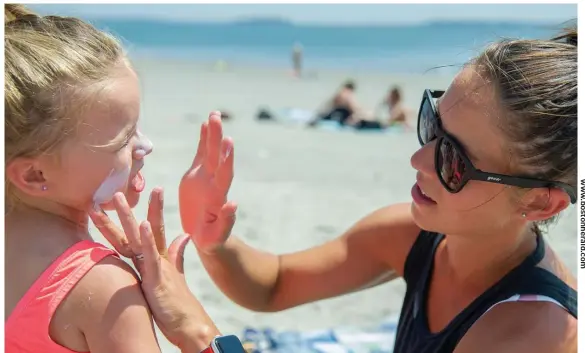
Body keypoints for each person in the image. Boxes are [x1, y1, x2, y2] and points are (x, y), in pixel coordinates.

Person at [178, 27, 578, 353]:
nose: (419, 159)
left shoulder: (529, 334)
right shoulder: (418, 235)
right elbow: (276, 283)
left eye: (453, 160)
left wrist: (200, 337)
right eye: (432, 125)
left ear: (539, 201)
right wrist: (213, 238)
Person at [4, 4, 234, 353]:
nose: (146, 146)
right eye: (124, 138)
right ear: (35, 174)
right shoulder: (103, 288)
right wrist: (195, 329)